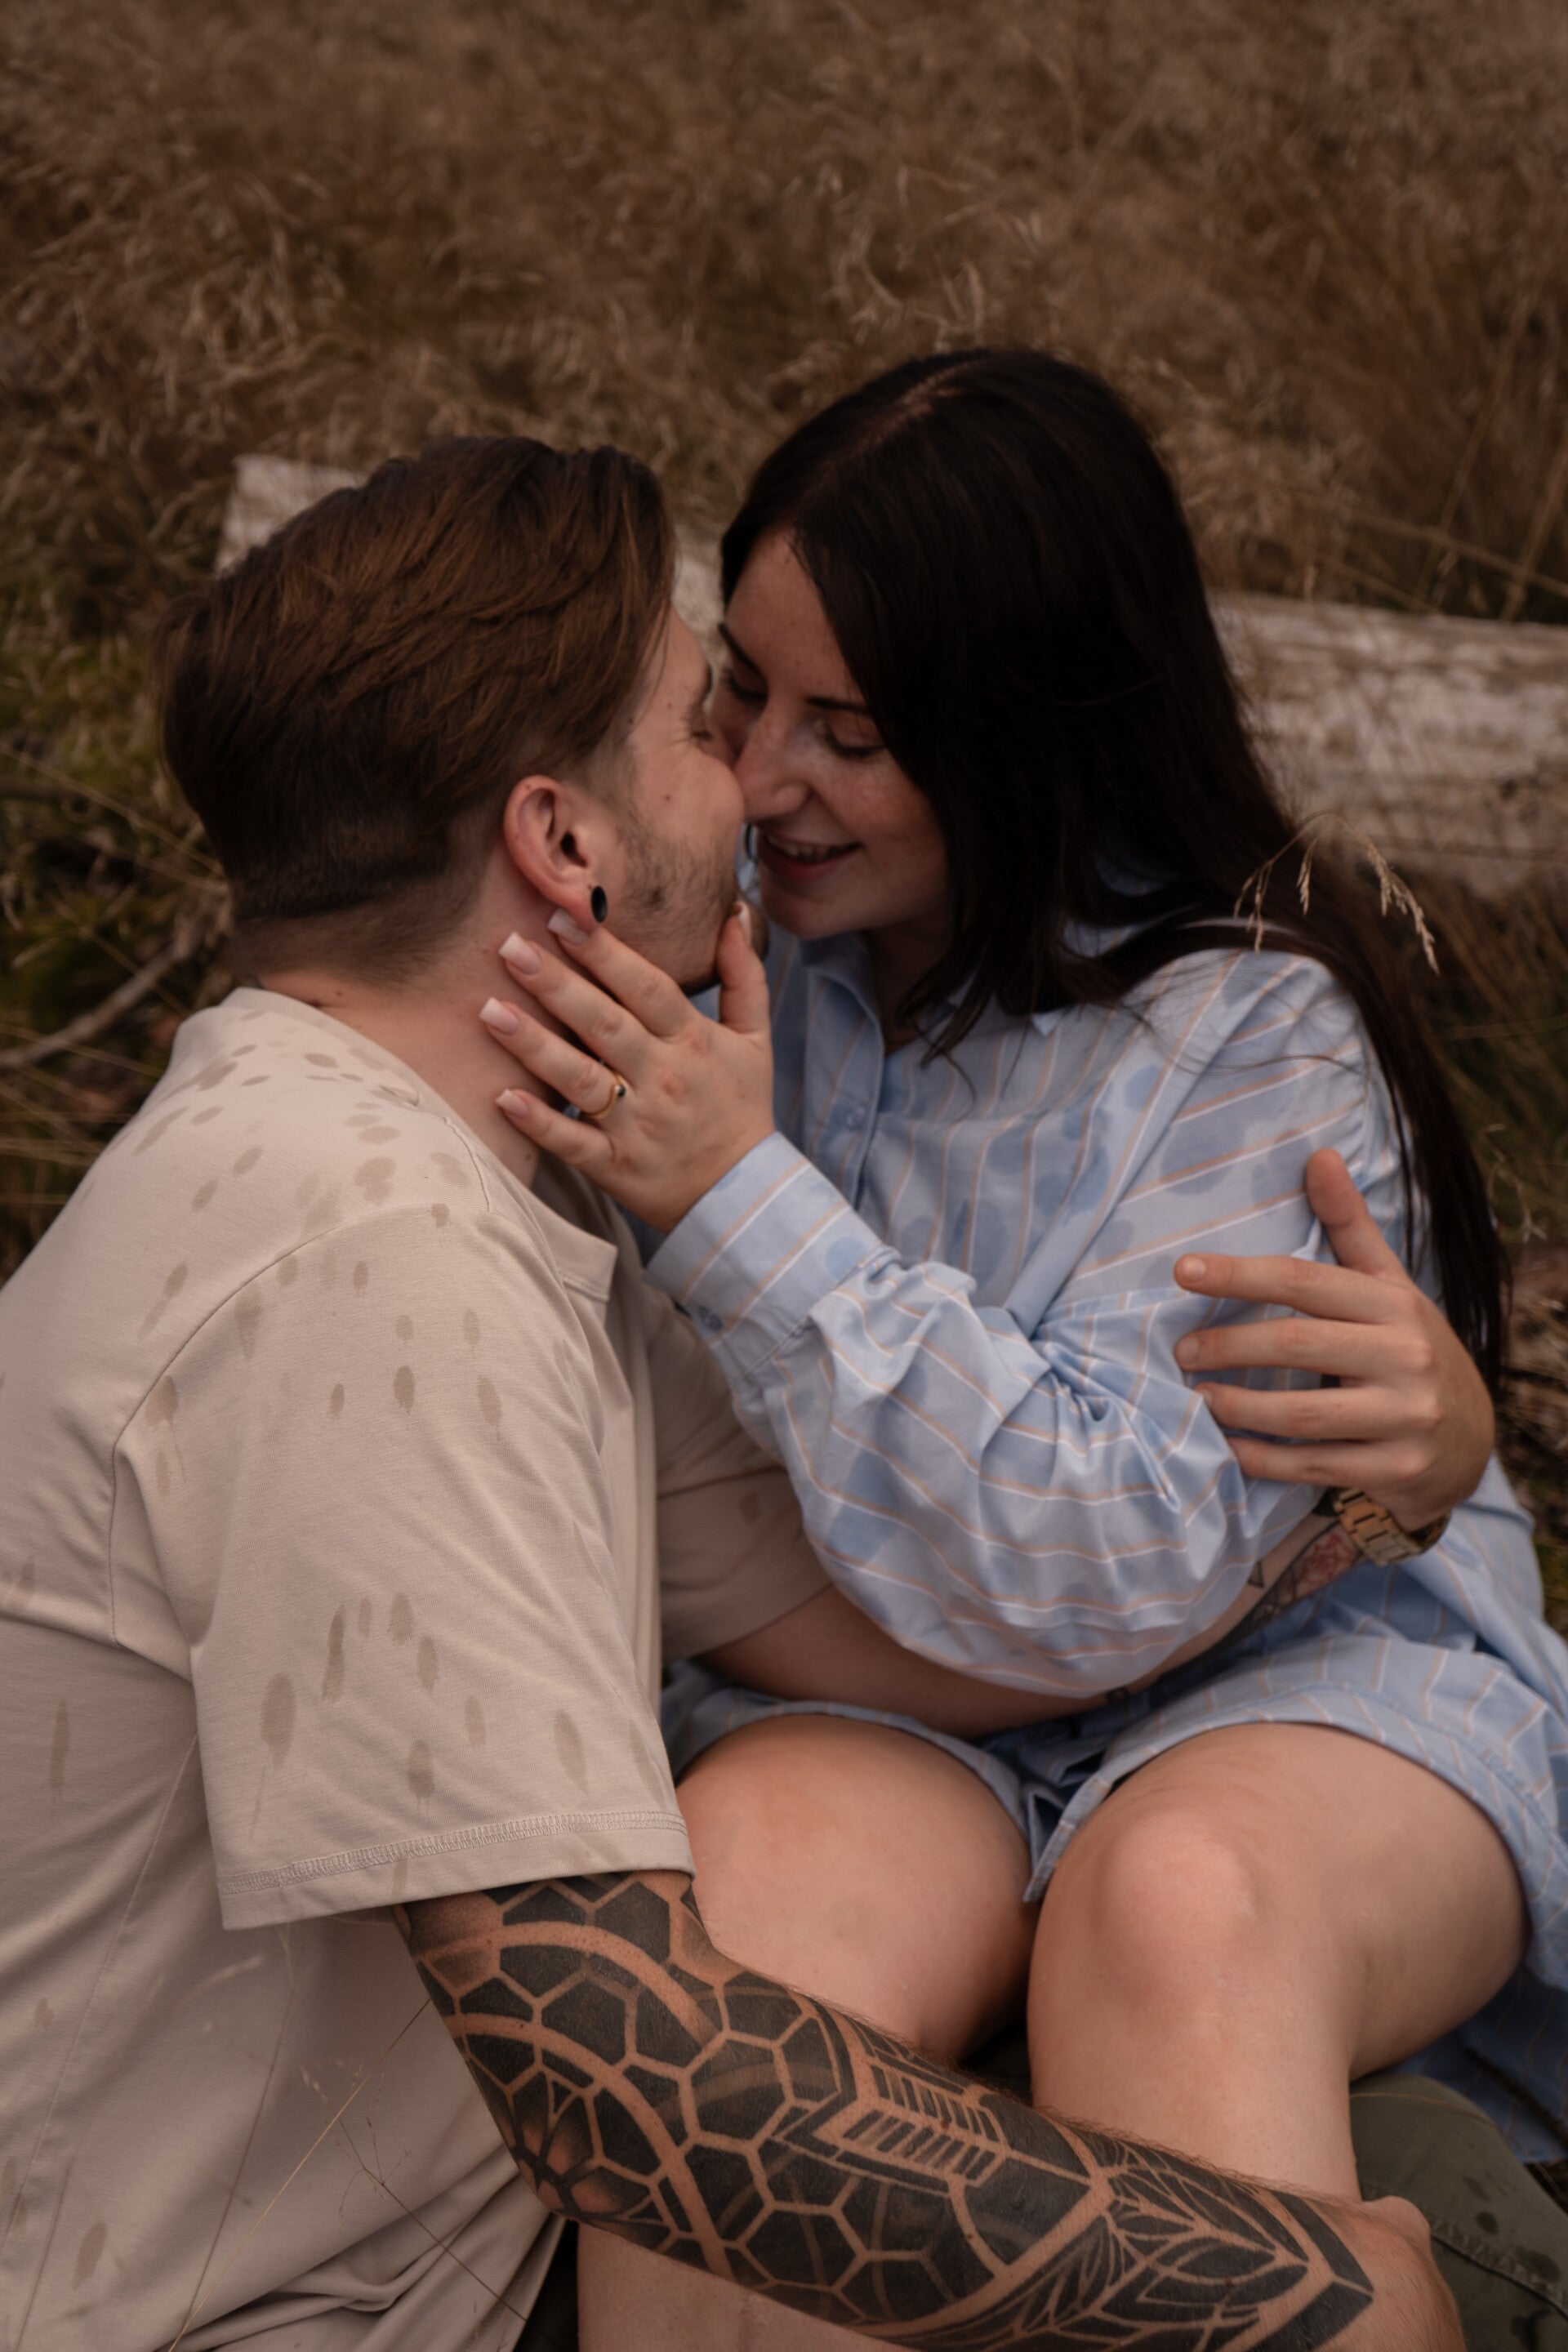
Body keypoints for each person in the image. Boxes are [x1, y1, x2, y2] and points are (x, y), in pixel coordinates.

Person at [0, 432, 1465, 2352]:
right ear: (566, 844)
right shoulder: (364, 1249)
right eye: (706, 718)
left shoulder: (493, 1199)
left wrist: (1379, 1503)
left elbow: (872, 1629)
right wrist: (1293, 2292)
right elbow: (634, 2091)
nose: (757, 785)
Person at [474, 351, 1568, 2350]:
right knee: (737, 1945)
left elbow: (1112, 1565)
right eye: (745, 696)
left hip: (1288, 1690)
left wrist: (744, 1205)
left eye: (853, 734)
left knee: (1179, 1906)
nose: (769, 779)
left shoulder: (1255, 1026)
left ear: (1034, 735)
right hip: (879, 1698)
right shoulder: (729, 954)